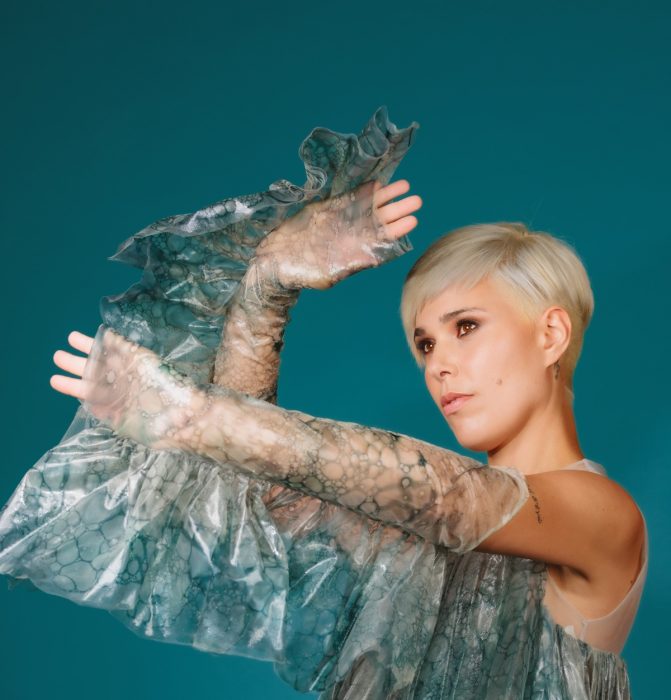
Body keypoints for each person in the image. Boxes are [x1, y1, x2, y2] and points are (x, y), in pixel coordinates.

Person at [0, 108, 647, 699]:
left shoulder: (604, 517)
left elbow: (446, 497)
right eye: (423, 343)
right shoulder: (420, 550)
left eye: (466, 326)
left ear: (550, 334)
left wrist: (191, 413)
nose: (437, 364)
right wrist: (265, 287)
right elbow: (265, 494)